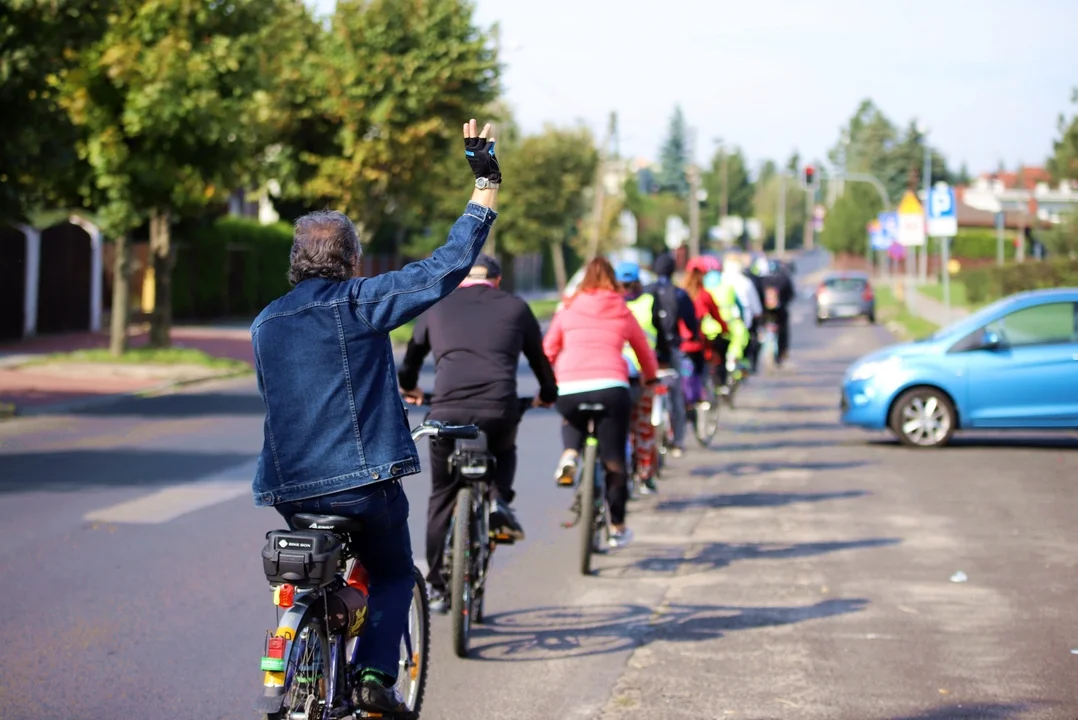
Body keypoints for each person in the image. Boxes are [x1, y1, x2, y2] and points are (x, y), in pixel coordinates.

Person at [250, 118, 500, 716]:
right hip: (361, 485)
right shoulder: (361, 302)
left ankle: (318, 627)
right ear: (353, 258)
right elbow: (444, 266)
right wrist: (484, 182)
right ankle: (371, 675)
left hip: (289, 490)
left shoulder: (264, 323)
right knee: (392, 572)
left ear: (294, 260)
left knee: (322, 567)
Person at [397, 253, 558, 612]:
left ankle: (438, 587)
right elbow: (539, 360)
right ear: (498, 281)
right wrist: (548, 394)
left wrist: (409, 387)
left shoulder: (436, 305)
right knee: (505, 449)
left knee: (442, 494)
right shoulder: (516, 307)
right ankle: (499, 500)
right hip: (498, 408)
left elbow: (410, 360)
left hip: (447, 411)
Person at [544, 257, 658, 548]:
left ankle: (570, 452)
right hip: (611, 387)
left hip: (570, 386)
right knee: (615, 460)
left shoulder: (568, 307)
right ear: (613, 281)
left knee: (571, 417)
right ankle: (618, 526)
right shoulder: (622, 308)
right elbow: (643, 350)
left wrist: (551, 380)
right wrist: (650, 377)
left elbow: (549, 349)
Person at [642, 252, 698, 457]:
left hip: (647, 351)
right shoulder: (679, 294)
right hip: (671, 349)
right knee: (676, 396)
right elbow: (691, 323)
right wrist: (692, 337)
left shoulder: (646, 292)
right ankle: (678, 441)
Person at [615, 260, 659, 494]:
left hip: (614, 371)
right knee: (642, 424)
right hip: (640, 373)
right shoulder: (648, 302)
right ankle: (644, 472)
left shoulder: (609, 303)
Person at [679, 257, 728, 406]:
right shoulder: (704, 295)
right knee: (702, 373)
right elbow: (718, 316)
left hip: (679, 344)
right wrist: (725, 329)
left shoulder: (680, 293)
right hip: (697, 344)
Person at [757, 257, 796, 364]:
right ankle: (782, 352)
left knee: (760, 329)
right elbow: (791, 294)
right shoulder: (784, 278)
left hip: (765, 312)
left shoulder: (760, 280)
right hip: (780, 311)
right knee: (783, 331)